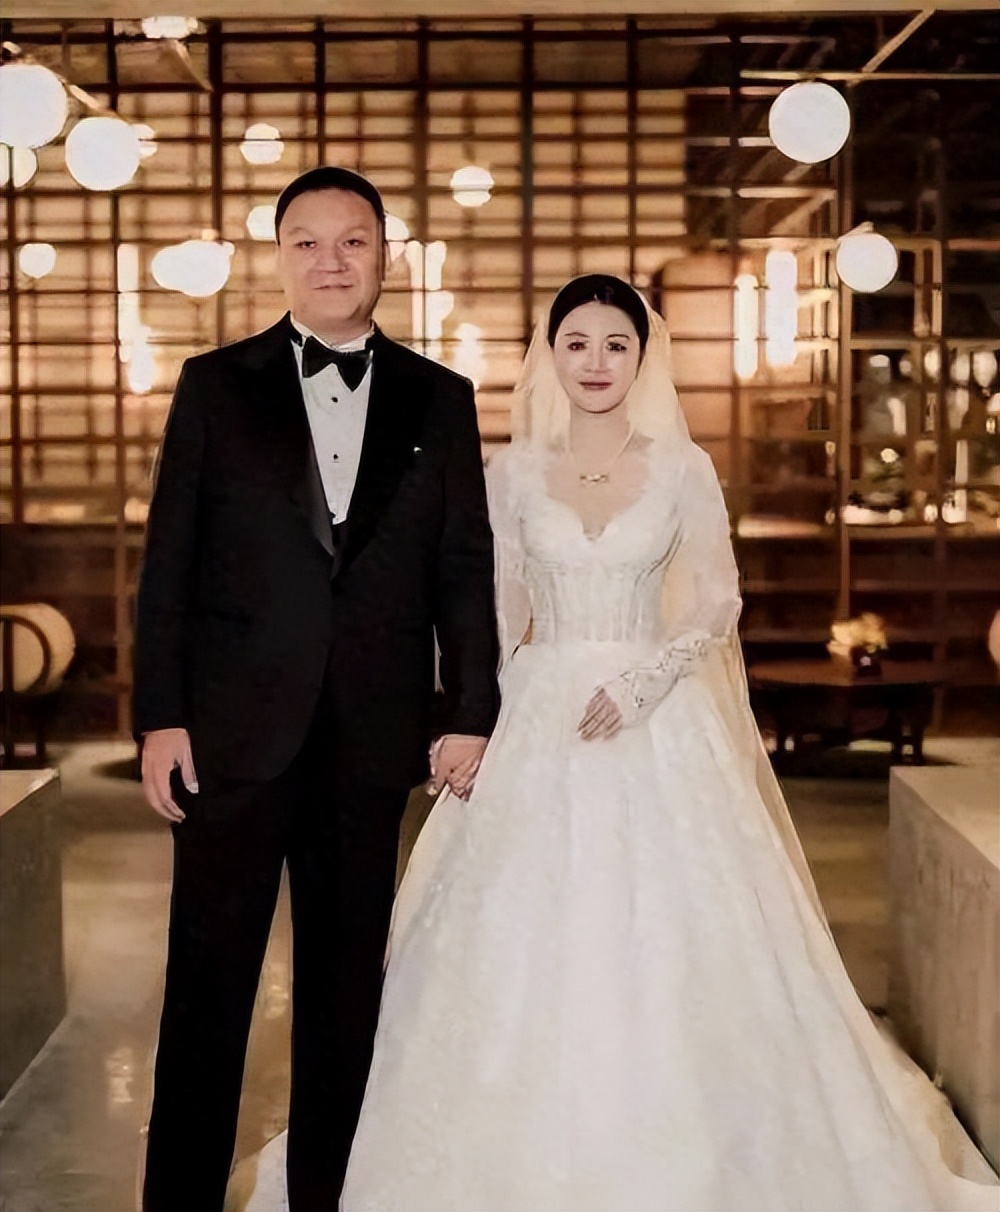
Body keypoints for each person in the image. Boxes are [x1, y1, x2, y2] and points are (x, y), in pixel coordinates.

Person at [241, 275, 998, 1211]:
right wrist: (472, 718)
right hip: (538, 706)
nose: (595, 362)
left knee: (689, 931)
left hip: (653, 712)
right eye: (577, 343)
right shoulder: (512, 472)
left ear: (643, 357)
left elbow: (718, 598)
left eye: (615, 345)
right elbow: (490, 609)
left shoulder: (683, 468)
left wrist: (649, 678)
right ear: (549, 354)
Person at [133, 166, 500, 1212]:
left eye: (353, 241)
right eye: (308, 241)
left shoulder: (443, 398)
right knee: (207, 991)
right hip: (231, 736)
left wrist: (471, 710)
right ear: (280, 256)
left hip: (372, 739)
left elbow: (463, 566)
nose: (331, 261)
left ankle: (328, 1200)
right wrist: (160, 714)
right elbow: (169, 561)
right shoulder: (215, 385)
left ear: (385, 255)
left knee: (347, 1001)